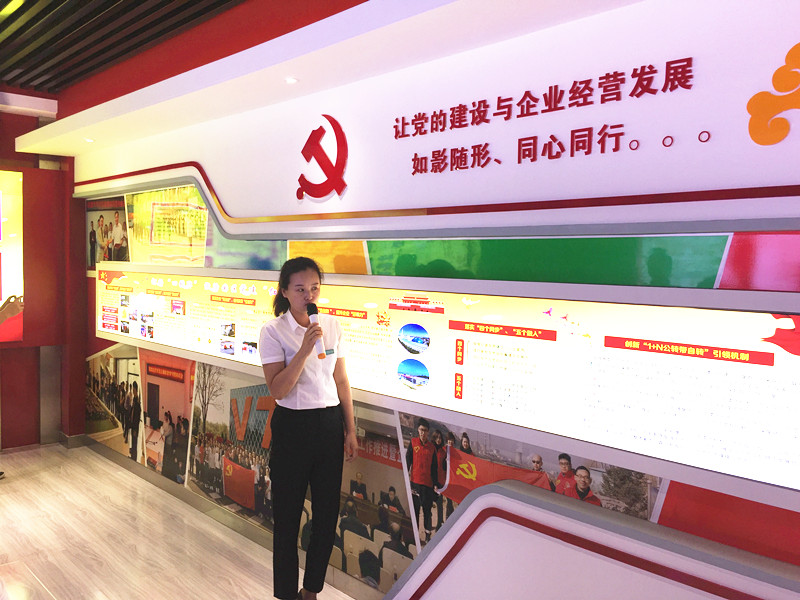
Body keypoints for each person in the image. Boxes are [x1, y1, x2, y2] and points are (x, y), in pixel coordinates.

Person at [260, 256, 357, 600]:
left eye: (314, 288)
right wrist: (303, 349)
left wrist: (350, 428)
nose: (308, 295)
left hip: (329, 424)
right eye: (300, 289)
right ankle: (286, 594)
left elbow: (340, 380)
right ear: (285, 292)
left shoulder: (332, 325)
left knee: (327, 515)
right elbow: (278, 389)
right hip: (292, 426)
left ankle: (311, 589)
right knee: (287, 519)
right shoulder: (273, 331)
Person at [406, 417, 437, 542]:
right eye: (421, 430)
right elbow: (407, 461)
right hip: (415, 483)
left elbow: (434, 468)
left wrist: (435, 484)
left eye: (425, 430)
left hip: (427, 486)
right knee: (415, 511)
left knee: (427, 512)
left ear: (428, 432)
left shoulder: (432, 448)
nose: (422, 433)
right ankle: (415, 538)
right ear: (418, 430)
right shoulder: (413, 443)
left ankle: (428, 536)